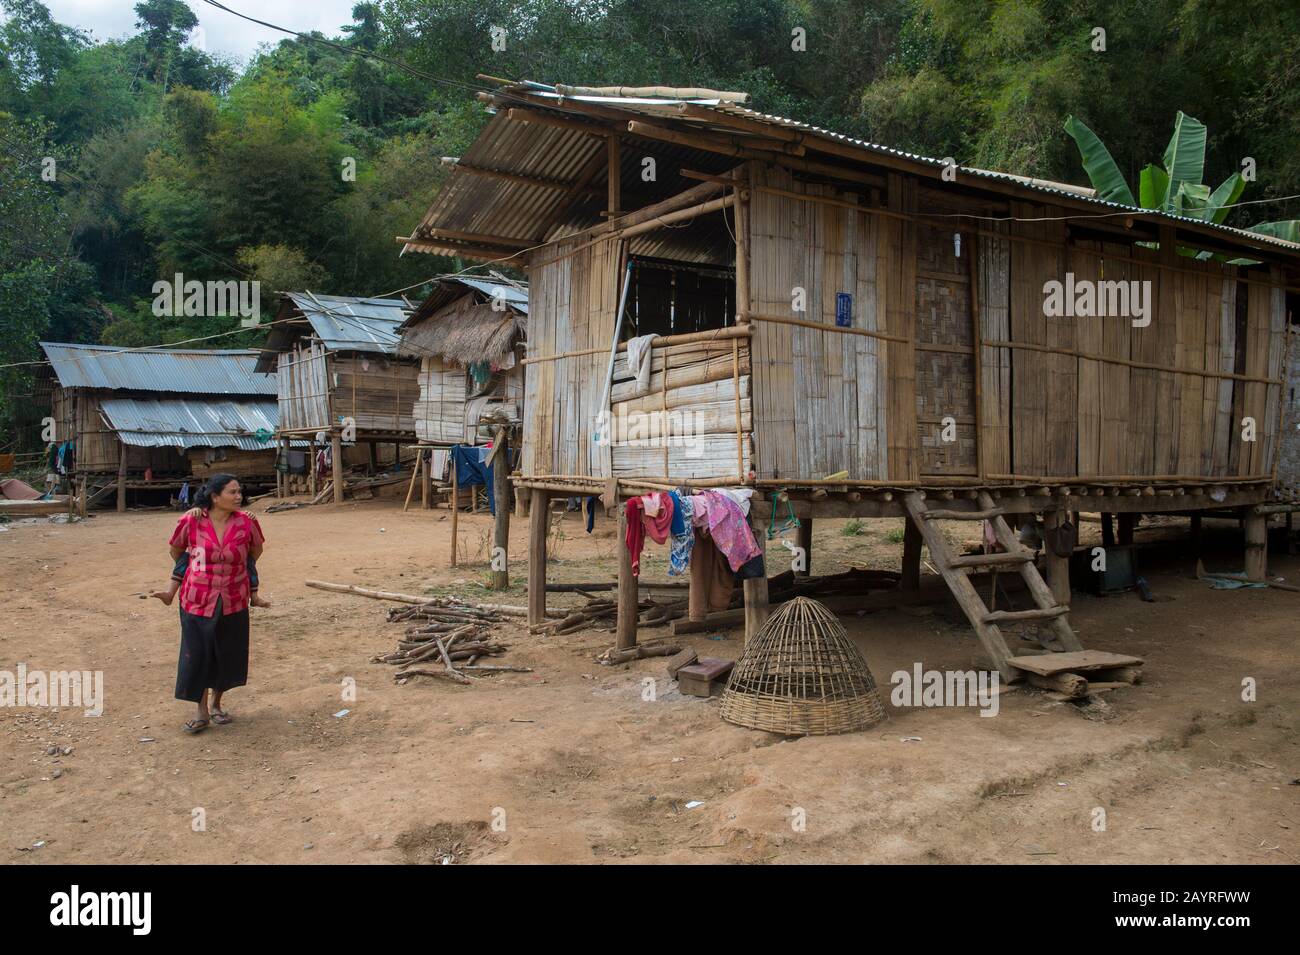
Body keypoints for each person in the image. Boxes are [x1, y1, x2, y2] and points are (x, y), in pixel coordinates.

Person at [165, 474, 266, 734]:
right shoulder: (192, 520)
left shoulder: (246, 523)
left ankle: (217, 703)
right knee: (198, 653)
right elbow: (177, 550)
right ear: (214, 496)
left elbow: (255, 552)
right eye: (232, 492)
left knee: (226, 652)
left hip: (234, 597)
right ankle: (201, 711)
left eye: (239, 491)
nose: (238, 496)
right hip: (197, 597)